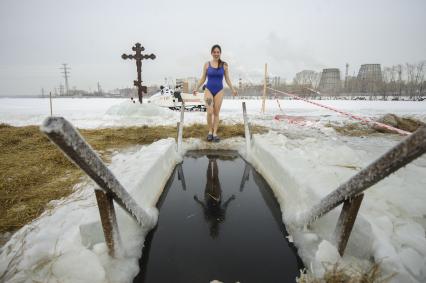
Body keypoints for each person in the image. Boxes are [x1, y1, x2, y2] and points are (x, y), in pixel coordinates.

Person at [193, 44, 237, 142]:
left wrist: (233, 89)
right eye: (214, 52)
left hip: (219, 91)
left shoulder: (224, 65)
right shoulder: (207, 64)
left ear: (220, 53)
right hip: (208, 90)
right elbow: (203, 78)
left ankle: (215, 133)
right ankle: (209, 131)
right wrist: (196, 87)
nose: (216, 54)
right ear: (211, 53)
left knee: (216, 112)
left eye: (218, 52)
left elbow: (227, 79)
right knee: (209, 111)